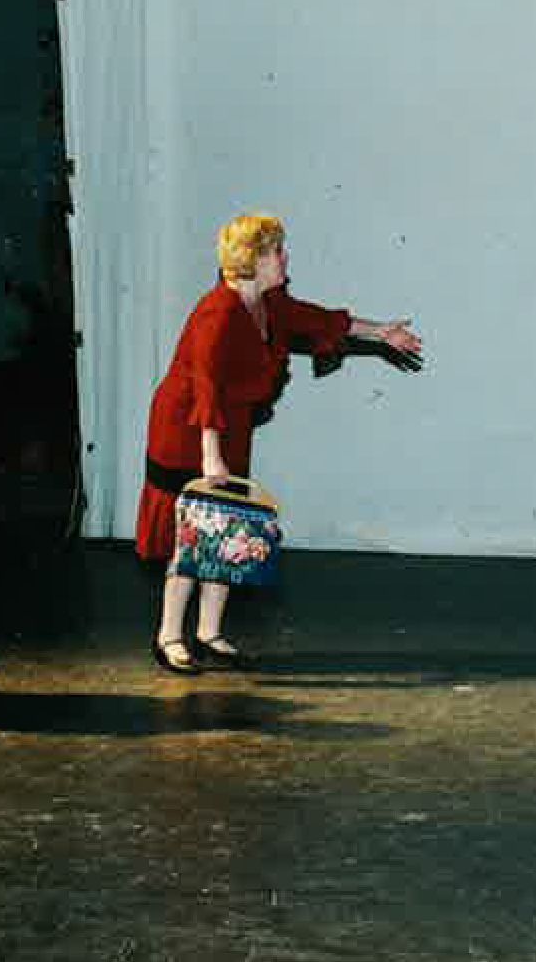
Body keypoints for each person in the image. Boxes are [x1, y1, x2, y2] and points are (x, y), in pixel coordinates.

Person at [137, 212, 424, 674]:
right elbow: (205, 385)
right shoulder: (218, 312)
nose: (285, 258)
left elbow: (318, 319)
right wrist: (211, 457)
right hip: (189, 429)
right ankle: (169, 636)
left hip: (229, 423)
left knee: (227, 527)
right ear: (253, 260)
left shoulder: (268, 303)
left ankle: (209, 632)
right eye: (276, 251)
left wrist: (381, 332)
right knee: (192, 537)